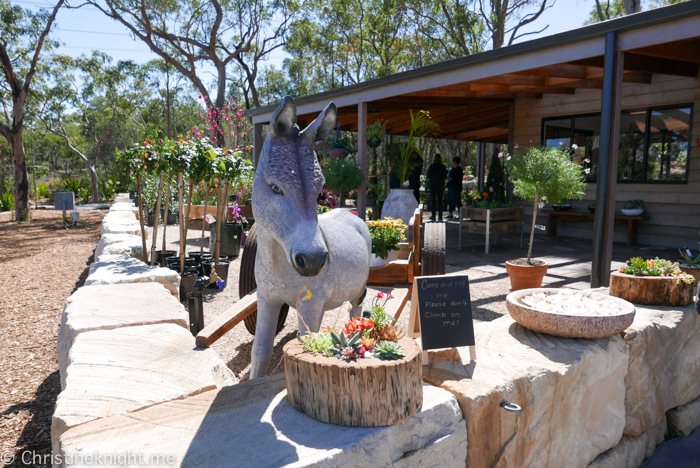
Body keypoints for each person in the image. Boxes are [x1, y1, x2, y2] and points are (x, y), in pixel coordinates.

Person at [426, 154, 448, 222]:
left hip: (433, 185)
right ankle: (440, 217)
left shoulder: (431, 166)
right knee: (440, 201)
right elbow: (445, 177)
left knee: (433, 201)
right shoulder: (443, 167)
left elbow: (428, 176)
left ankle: (433, 216)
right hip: (440, 185)